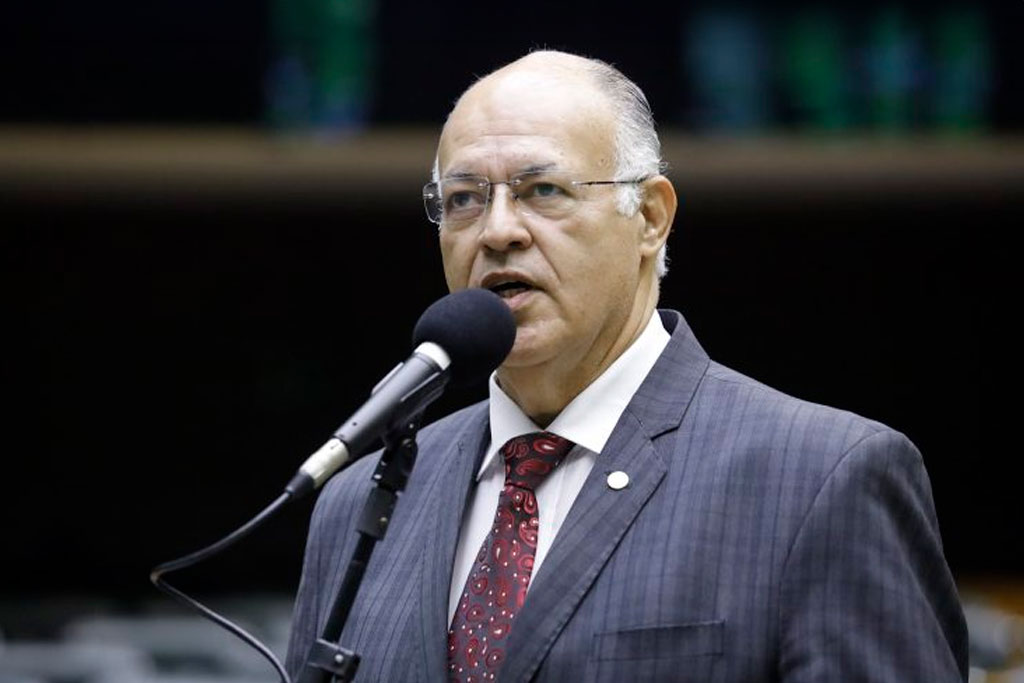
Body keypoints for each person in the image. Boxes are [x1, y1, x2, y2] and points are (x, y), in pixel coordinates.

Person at [285, 50, 967, 682]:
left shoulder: (825, 478)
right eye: (464, 198)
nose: (496, 231)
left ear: (650, 216)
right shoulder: (359, 503)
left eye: (542, 189)